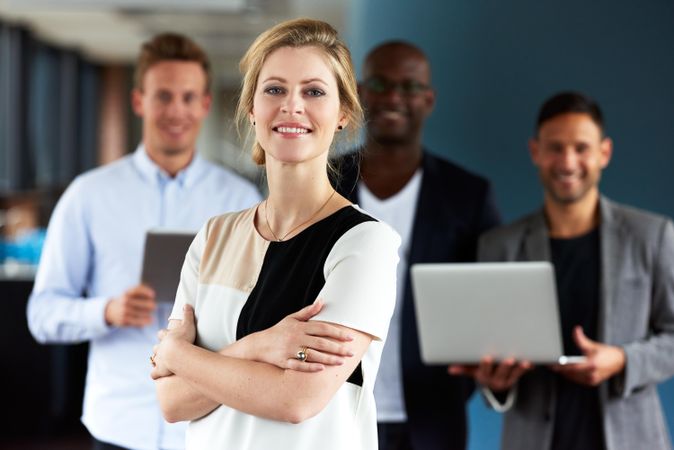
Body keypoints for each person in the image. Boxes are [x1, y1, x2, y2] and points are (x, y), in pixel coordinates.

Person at [150, 18, 401, 450]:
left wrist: (180, 356)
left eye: (314, 91)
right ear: (252, 108)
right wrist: (260, 347)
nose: (292, 106)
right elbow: (171, 400)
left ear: (342, 113)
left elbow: (296, 399)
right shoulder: (213, 237)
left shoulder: (365, 243)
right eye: (274, 89)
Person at [27, 33, 261, 450]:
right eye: (163, 96)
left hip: (207, 425)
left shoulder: (240, 201)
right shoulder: (88, 195)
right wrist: (108, 311)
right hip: (119, 422)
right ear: (139, 101)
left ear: (205, 105)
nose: (176, 110)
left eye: (188, 97)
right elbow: (42, 314)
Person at [451, 92, 674, 450]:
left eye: (581, 148)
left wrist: (623, 360)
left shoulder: (652, 236)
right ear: (535, 152)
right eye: (555, 148)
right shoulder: (499, 246)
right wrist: (496, 382)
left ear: (604, 153)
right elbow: (492, 351)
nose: (567, 162)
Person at [334, 41, 500, 449]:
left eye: (409, 87)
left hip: (432, 416)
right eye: (380, 84)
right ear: (358, 93)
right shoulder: (321, 181)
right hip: (332, 411)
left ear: (428, 99)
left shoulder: (468, 195)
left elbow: (495, 301)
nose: (393, 97)